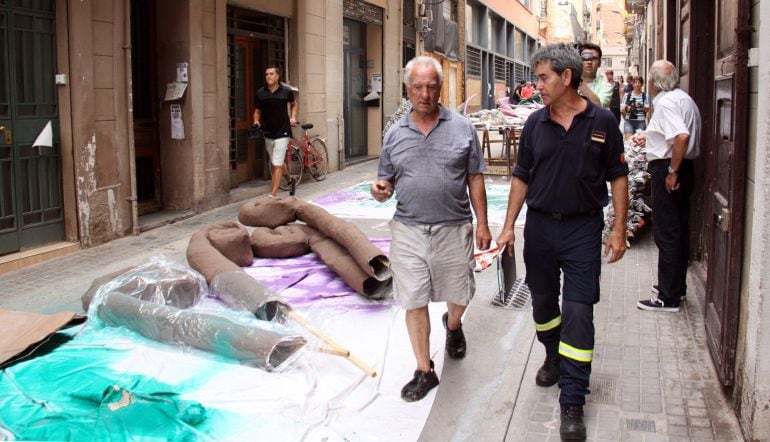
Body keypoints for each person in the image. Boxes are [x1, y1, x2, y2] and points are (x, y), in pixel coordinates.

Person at [496, 43, 629, 440]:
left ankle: (572, 397)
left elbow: (618, 177)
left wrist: (619, 230)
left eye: (543, 77)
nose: (537, 85)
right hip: (539, 228)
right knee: (543, 304)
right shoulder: (536, 123)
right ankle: (552, 354)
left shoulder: (603, 122)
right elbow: (521, 176)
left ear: (566, 77)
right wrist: (508, 227)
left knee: (579, 310)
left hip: (582, 230)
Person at [371, 56, 491, 403]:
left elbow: (474, 177)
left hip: (453, 228)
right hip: (408, 230)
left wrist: (482, 223)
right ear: (408, 89)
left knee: (460, 294)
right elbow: (386, 180)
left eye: (431, 85)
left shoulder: (462, 128)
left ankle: (453, 326)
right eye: (418, 86)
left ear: (441, 87)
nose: (425, 93)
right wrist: (381, 189)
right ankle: (425, 369)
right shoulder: (395, 134)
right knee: (413, 299)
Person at [633, 60, 701, 313]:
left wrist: (671, 171)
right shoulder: (683, 98)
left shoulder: (665, 102)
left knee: (667, 232)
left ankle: (667, 296)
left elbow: (680, 136)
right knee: (679, 230)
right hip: (684, 166)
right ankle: (675, 287)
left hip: (670, 168)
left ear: (653, 81)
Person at [253, 66, 298, 198]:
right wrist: (256, 121)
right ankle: (290, 180)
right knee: (275, 162)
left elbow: (294, 103)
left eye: (271, 74)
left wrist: (293, 117)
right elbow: (257, 110)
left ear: (278, 76)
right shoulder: (260, 93)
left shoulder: (286, 91)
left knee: (276, 164)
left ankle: (273, 195)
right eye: (267, 74)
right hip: (268, 132)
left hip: (283, 131)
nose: (268, 76)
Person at [577, 42, 612, 107]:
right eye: (586, 57)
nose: (589, 62)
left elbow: (599, 106)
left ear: (599, 63)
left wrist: (578, 82)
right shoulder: (568, 84)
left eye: (594, 58)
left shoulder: (606, 86)